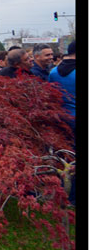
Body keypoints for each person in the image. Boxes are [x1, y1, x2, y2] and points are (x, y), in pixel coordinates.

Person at [48, 41, 76, 206]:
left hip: (61, 119)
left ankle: (60, 193)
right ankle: (73, 197)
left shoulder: (54, 72)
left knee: (64, 156)